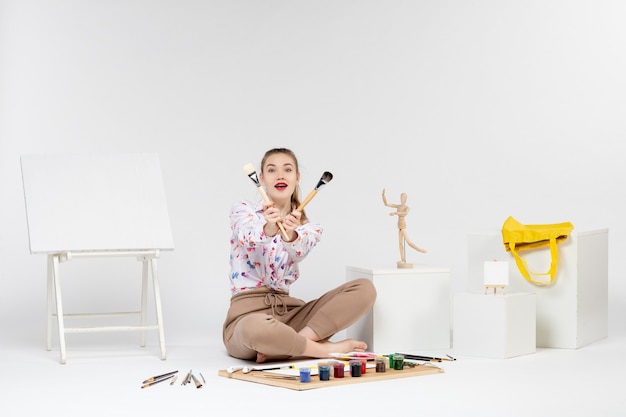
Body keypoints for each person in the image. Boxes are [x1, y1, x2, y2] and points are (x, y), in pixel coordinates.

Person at [223, 148, 377, 363]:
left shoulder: (308, 228)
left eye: (287, 169)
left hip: (291, 314)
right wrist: (269, 226)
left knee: (364, 288)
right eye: (271, 170)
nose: (280, 175)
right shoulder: (243, 210)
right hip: (246, 317)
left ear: (297, 178)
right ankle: (323, 350)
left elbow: (299, 250)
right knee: (257, 329)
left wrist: (291, 235)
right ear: (261, 179)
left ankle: (294, 343)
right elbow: (246, 236)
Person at [382, 189, 426, 268]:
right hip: (398, 226)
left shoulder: (407, 207)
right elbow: (386, 204)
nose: (402, 199)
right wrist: (383, 195)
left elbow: (405, 213)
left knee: (408, 242)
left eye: (404, 198)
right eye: (401, 197)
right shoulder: (398, 206)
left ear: (406, 199)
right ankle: (402, 259)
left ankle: (419, 249)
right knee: (400, 244)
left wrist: (395, 213)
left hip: (403, 225)